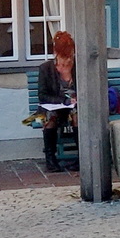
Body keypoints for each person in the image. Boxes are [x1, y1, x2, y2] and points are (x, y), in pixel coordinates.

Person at [36, 30, 77, 172]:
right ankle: (50, 159)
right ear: (56, 53)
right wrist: (63, 100)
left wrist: (78, 97)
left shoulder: (78, 67)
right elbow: (42, 95)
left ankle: (82, 157)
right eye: (64, 56)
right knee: (50, 116)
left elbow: (88, 87)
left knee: (77, 114)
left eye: (70, 55)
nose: (67, 60)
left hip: (74, 107)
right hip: (53, 106)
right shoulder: (46, 68)